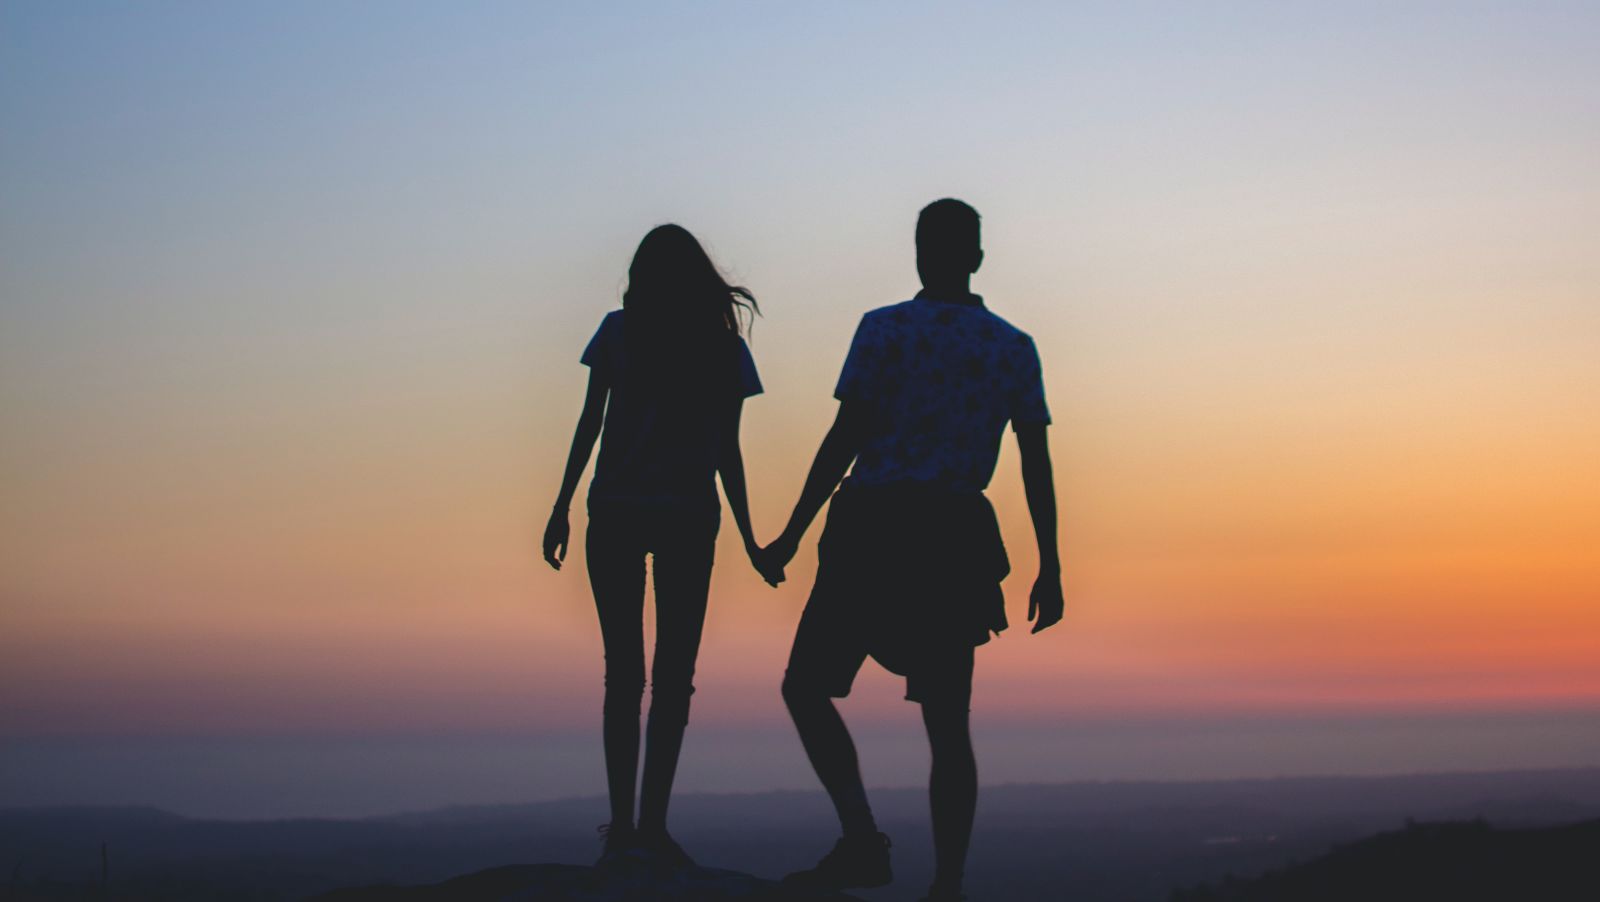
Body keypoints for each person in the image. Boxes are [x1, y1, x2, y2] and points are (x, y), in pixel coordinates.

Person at [756, 199, 1064, 902]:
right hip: (952, 537)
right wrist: (1050, 561)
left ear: (921, 254)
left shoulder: (884, 330)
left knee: (806, 687)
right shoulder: (1011, 347)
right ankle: (947, 885)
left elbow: (846, 439)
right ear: (977, 257)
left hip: (873, 527)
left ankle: (863, 841)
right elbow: (1035, 462)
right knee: (947, 724)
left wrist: (793, 532)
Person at [543, 224, 767, 868]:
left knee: (625, 675)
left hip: (613, 510)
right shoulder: (724, 349)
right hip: (688, 517)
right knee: (673, 681)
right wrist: (751, 538)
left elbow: (591, 423)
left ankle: (623, 830)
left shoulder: (619, 330)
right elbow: (728, 451)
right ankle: (652, 828)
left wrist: (561, 506)